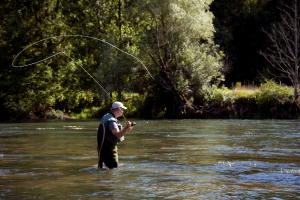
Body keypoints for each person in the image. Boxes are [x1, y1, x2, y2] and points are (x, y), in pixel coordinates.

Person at [97, 101, 133, 169]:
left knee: (103, 168)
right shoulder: (112, 120)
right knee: (113, 169)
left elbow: (111, 131)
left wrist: (125, 129)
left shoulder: (106, 116)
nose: (122, 111)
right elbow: (117, 135)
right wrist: (126, 127)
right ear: (119, 109)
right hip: (109, 149)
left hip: (102, 147)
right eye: (122, 109)